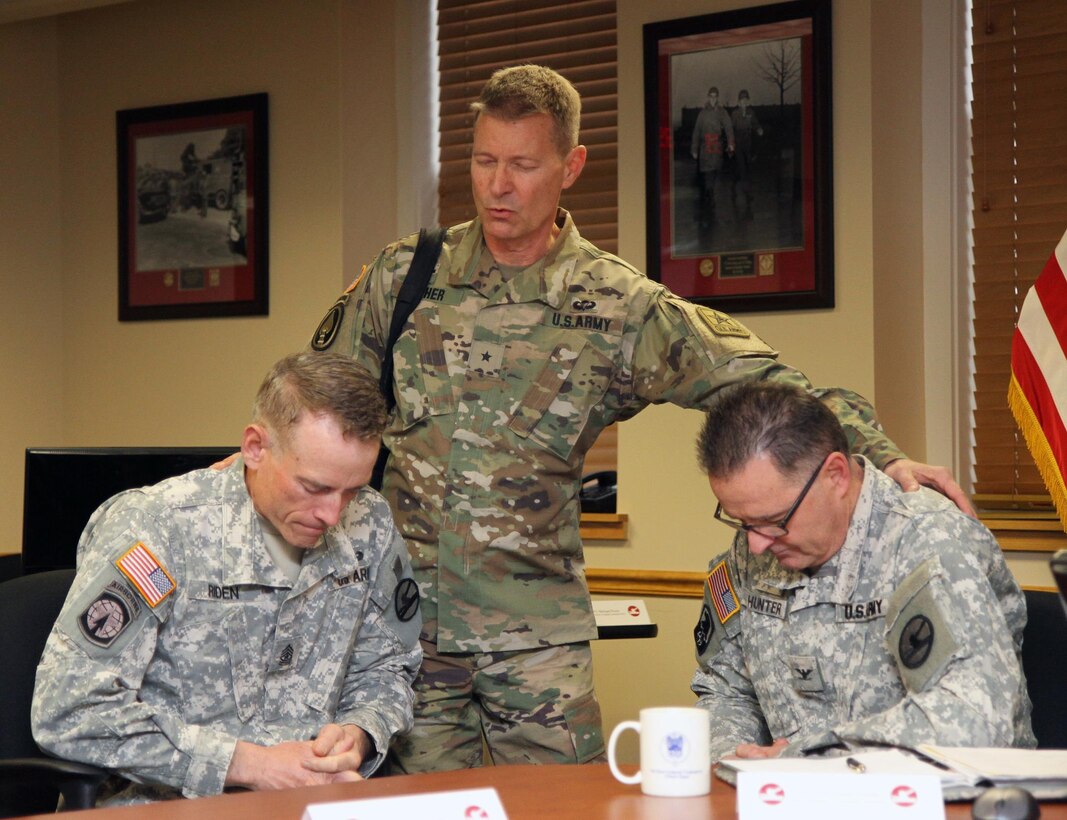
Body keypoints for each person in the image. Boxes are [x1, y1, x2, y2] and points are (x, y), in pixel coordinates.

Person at [309, 63, 969, 774]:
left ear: (570, 167)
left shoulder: (614, 305)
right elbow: (315, 400)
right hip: (406, 633)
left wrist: (882, 452)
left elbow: (767, 384)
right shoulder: (406, 275)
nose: (497, 186)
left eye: (523, 165)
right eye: (483, 161)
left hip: (539, 648)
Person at [32, 352, 422, 805]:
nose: (333, 513)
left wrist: (358, 733)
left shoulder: (368, 522)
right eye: (314, 487)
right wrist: (250, 765)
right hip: (165, 807)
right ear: (256, 448)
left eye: (351, 489)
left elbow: (390, 666)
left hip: (307, 806)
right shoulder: (159, 529)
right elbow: (68, 710)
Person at [690, 382, 1035, 762]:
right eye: (741, 522)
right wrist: (732, 756)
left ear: (836, 475)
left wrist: (811, 757)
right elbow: (724, 690)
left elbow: (975, 720)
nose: (755, 544)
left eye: (773, 521)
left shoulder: (929, 541)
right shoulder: (752, 549)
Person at [690, 85, 735, 228]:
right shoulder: (702, 114)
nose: (713, 99)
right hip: (705, 148)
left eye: (715, 96)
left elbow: (728, 127)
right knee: (707, 172)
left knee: (715, 171)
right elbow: (697, 131)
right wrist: (694, 148)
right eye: (711, 96)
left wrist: (731, 143)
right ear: (708, 97)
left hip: (717, 147)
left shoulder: (722, 113)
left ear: (718, 97)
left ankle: (710, 192)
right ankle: (709, 194)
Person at [729, 89, 763, 221]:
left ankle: (733, 185)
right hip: (738, 142)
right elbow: (731, 128)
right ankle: (747, 193)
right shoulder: (735, 113)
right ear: (738, 102)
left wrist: (759, 129)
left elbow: (755, 123)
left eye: (745, 100)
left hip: (747, 143)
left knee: (745, 167)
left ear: (748, 101)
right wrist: (731, 144)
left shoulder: (751, 112)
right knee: (743, 168)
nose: (744, 102)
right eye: (742, 100)